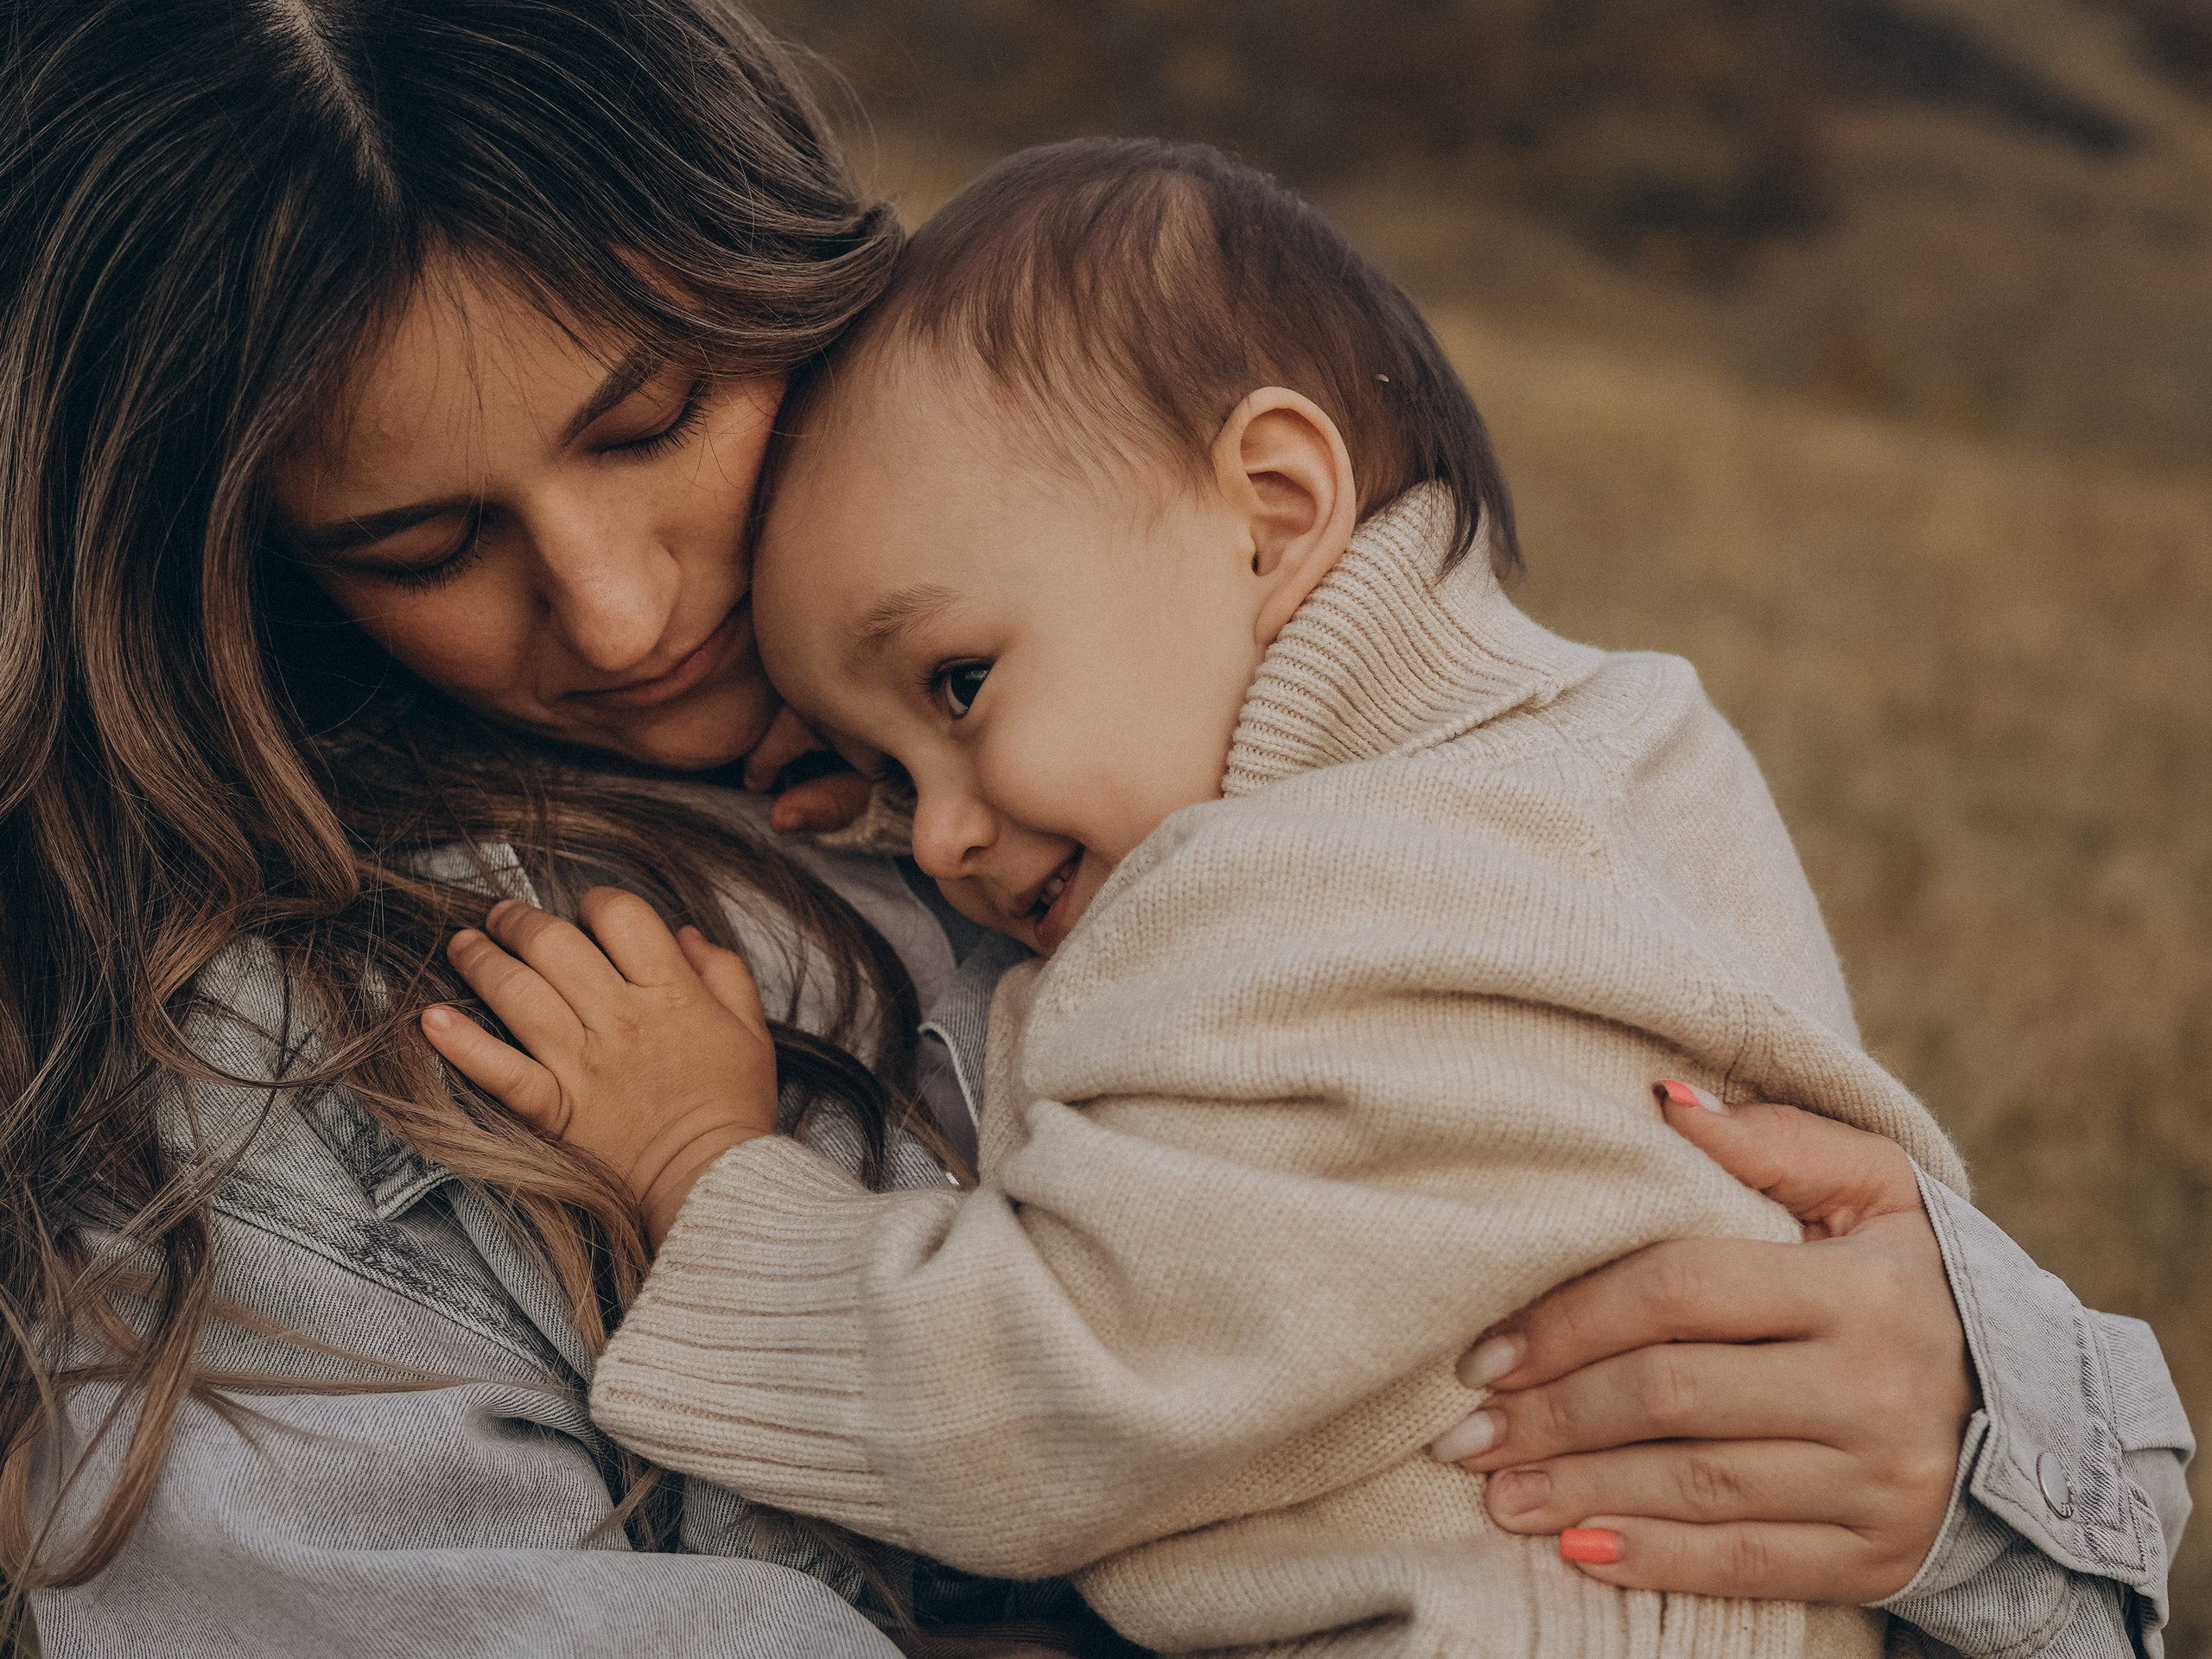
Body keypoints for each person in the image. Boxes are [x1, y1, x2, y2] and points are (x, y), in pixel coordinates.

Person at [0, 3, 2184, 1657]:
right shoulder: (286, 1059)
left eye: (652, 419)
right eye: (422, 540)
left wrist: (1964, 1417)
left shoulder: (1255, 746)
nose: (617, 604)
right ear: (250, 564)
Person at [418, 139, 2045, 1656]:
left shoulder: (1343, 915)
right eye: (885, 768)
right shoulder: (1598, 757)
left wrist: (701, 1170)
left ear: (1271, 510)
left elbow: (1050, 1406)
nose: (936, 844)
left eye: (959, 682)